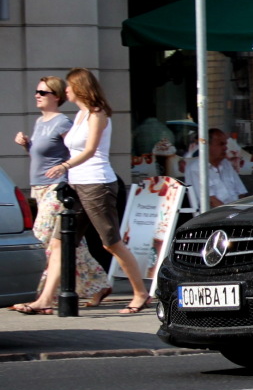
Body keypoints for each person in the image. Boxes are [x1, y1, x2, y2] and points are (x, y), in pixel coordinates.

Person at [16, 68, 151, 315]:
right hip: (77, 185)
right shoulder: (79, 116)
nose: (65, 90)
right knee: (60, 243)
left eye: (68, 86)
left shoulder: (97, 115)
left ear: (79, 88)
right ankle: (45, 300)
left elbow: (90, 150)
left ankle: (141, 293)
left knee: (111, 243)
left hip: (97, 184)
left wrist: (64, 166)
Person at [11, 77, 112, 309]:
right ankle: (99, 283)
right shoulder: (40, 122)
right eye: (37, 91)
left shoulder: (63, 123)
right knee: (70, 244)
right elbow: (43, 157)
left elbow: (74, 152)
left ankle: (43, 296)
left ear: (56, 97)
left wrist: (68, 174)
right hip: (39, 188)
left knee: (42, 238)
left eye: (43, 92)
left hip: (57, 188)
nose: (37, 95)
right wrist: (27, 145)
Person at [194, 128, 248, 207]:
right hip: (217, 216)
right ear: (208, 146)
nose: (225, 148)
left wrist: (243, 211)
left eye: (225, 144)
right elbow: (211, 201)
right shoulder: (197, 168)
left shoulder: (226, 164)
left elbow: (241, 192)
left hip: (237, 212)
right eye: (221, 144)